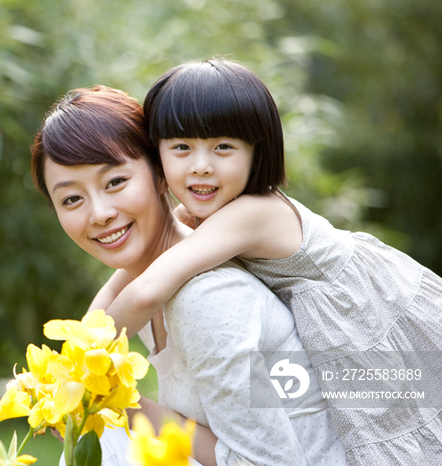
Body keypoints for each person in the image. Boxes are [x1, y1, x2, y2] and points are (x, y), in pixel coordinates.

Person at [96, 59, 442, 465]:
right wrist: (73, 350)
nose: (201, 164)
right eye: (181, 147)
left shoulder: (252, 212)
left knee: (399, 433)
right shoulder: (207, 214)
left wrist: (81, 376)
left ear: (257, 151)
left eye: (223, 147)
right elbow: (121, 284)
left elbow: (149, 289)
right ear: (158, 156)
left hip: (370, 318)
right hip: (331, 330)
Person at [31, 85, 346, 466]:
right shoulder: (149, 281)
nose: (98, 213)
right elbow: (104, 318)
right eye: (71, 199)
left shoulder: (206, 297)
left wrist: (120, 404)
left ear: (161, 175)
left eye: (115, 182)